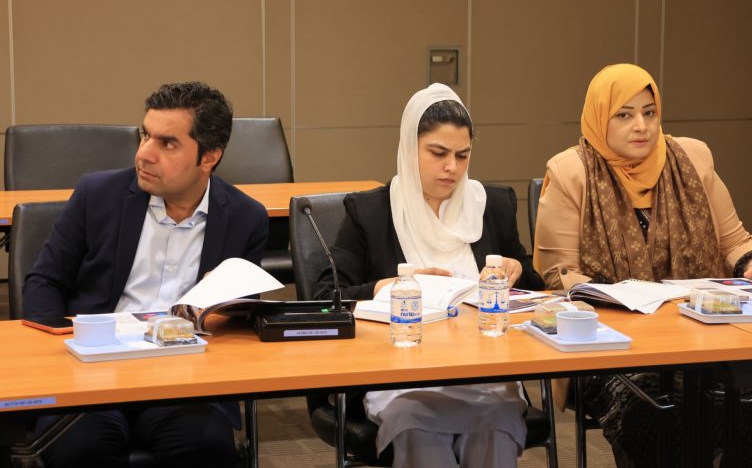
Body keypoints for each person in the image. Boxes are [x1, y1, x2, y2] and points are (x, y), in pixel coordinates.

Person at [534, 63, 752, 467]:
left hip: (701, 336)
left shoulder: (692, 158)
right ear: (599, 118)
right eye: (624, 115)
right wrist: (626, 299)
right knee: (657, 406)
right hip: (612, 346)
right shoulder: (571, 172)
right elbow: (559, 275)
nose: (641, 126)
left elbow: (734, 241)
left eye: (649, 112)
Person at [23, 81, 269, 467]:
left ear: (209, 157)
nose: (144, 154)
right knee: (80, 448)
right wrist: (61, 358)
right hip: (93, 370)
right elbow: (44, 282)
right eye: (145, 135)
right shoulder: (97, 194)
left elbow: (240, 318)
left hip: (185, 378)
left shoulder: (245, 217)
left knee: (204, 447)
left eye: (167, 143)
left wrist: (216, 312)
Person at [313, 83, 543, 468]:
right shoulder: (371, 213)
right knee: (418, 429)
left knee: (493, 424)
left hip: (484, 376)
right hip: (400, 378)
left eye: (462, 155)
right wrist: (389, 287)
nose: (452, 167)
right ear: (409, 148)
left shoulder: (492, 206)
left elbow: (538, 292)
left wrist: (519, 270)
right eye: (438, 153)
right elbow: (325, 297)